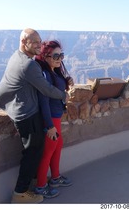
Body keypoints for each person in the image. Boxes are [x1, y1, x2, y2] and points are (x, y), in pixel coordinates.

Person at [0, 28, 69, 204]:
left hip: (20, 109)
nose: (39, 45)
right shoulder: (28, 64)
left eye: (40, 41)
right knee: (33, 153)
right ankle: (20, 193)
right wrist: (63, 95)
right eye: (35, 42)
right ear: (23, 42)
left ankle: (35, 184)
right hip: (26, 114)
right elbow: (46, 89)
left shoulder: (17, 57)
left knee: (35, 151)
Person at [34, 40, 74, 198]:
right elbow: (43, 101)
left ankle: (55, 178)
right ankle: (40, 187)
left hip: (57, 115)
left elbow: (59, 88)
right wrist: (49, 125)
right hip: (51, 118)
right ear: (45, 56)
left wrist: (67, 81)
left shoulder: (55, 71)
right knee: (48, 151)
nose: (59, 58)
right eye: (55, 55)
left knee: (57, 147)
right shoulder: (45, 75)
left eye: (61, 55)